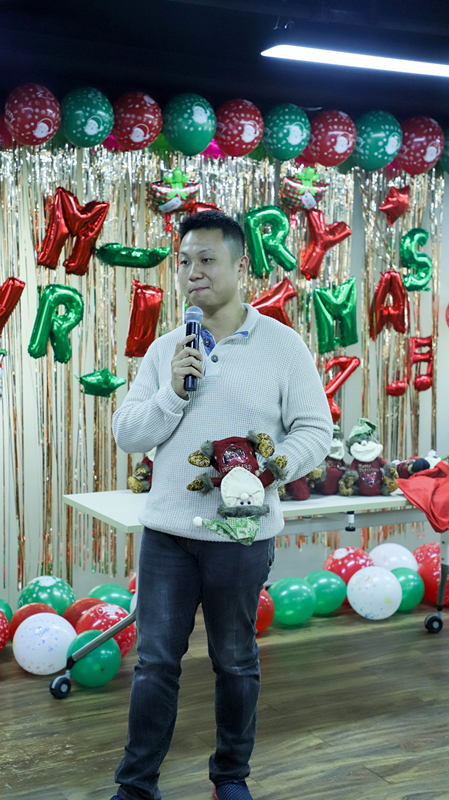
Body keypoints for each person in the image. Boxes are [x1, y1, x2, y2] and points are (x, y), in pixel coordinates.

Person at [110, 211, 333, 800]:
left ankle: (230, 776)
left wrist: (267, 471)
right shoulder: (167, 350)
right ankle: (136, 786)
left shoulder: (282, 346)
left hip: (241, 535)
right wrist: (171, 393)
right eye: (184, 261)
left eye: (207, 260)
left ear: (240, 266)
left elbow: (315, 429)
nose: (193, 272)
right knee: (155, 663)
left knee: (234, 661)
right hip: (168, 536)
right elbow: (128, 433)